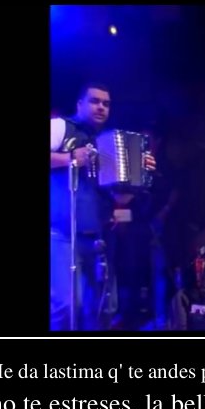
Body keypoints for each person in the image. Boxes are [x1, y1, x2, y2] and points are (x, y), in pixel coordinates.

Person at [49, 82, 155, 331]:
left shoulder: (107, 142)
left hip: (98, 235)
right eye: (94, 101)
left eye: (106, 104)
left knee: (101, 309)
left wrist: (141, 174)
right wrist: (71, 158)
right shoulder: (60, 127)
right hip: (61, 233)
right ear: (80, 104)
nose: (101, 107)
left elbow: (120, 199)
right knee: (66, 305)